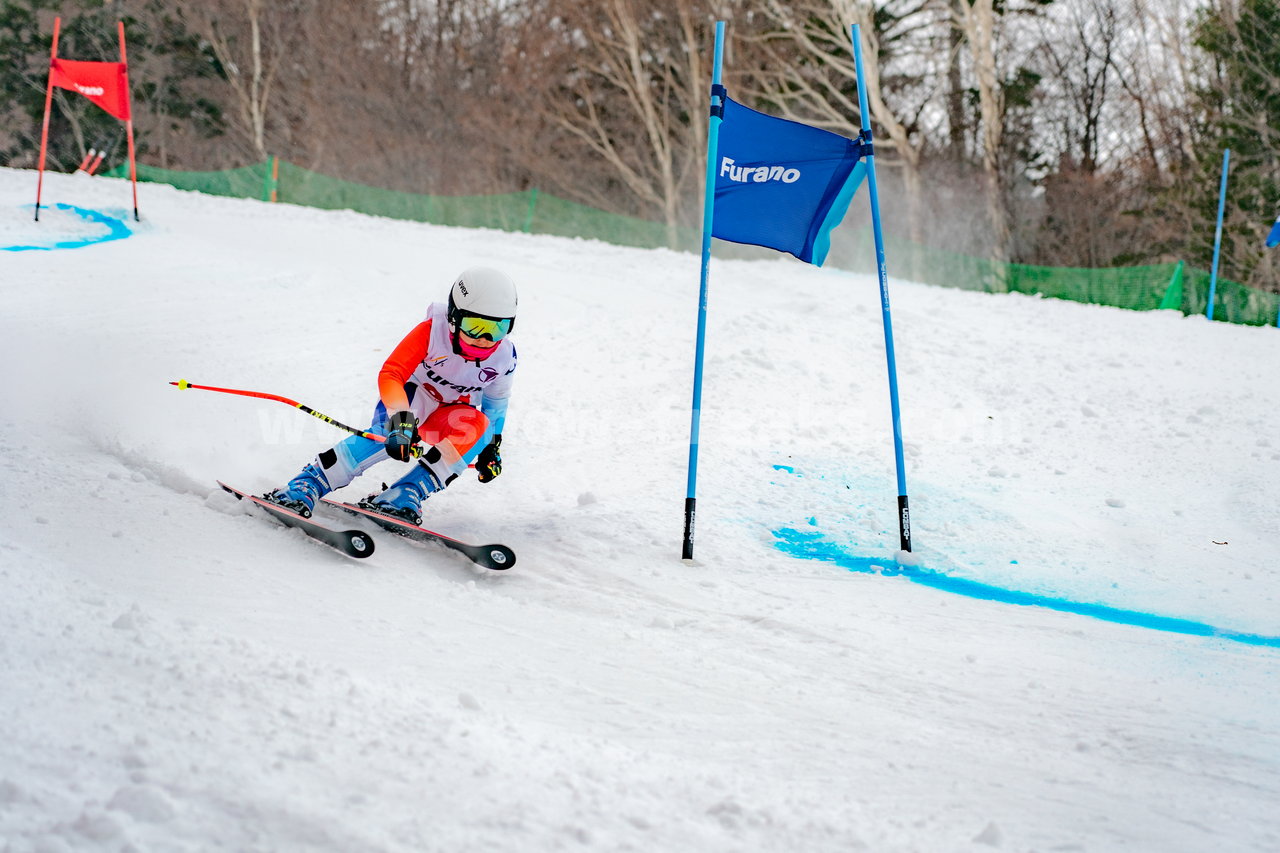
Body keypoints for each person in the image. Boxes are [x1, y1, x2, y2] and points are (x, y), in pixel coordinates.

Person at [264, 266, 518, 524]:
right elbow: (392, 373)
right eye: (475, 327)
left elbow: (496, 404)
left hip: (449, 414)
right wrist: (400, 418)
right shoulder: (432, 332)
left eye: (498, 329)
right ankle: (309, 482)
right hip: (412, 398)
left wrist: (491, 447)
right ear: (454, 317)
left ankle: (405, 493)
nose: (485, 339)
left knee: (477, 428)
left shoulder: (504, 357)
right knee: (391, 431)